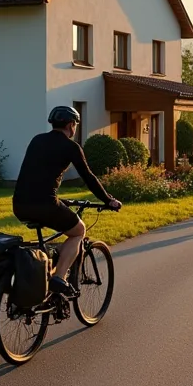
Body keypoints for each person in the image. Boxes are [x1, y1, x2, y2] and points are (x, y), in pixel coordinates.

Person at [13, 106, 122, 297]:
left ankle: (46, 273)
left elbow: (36, 176)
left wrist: (58, 200)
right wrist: (108, 200)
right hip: (44, 204)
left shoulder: (37, 140)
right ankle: (59, 277)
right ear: (71, 125)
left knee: (57, 226)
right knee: (78, 231)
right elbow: (88, 177)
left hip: (20, 204)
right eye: (75, 125)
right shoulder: (71, 147)